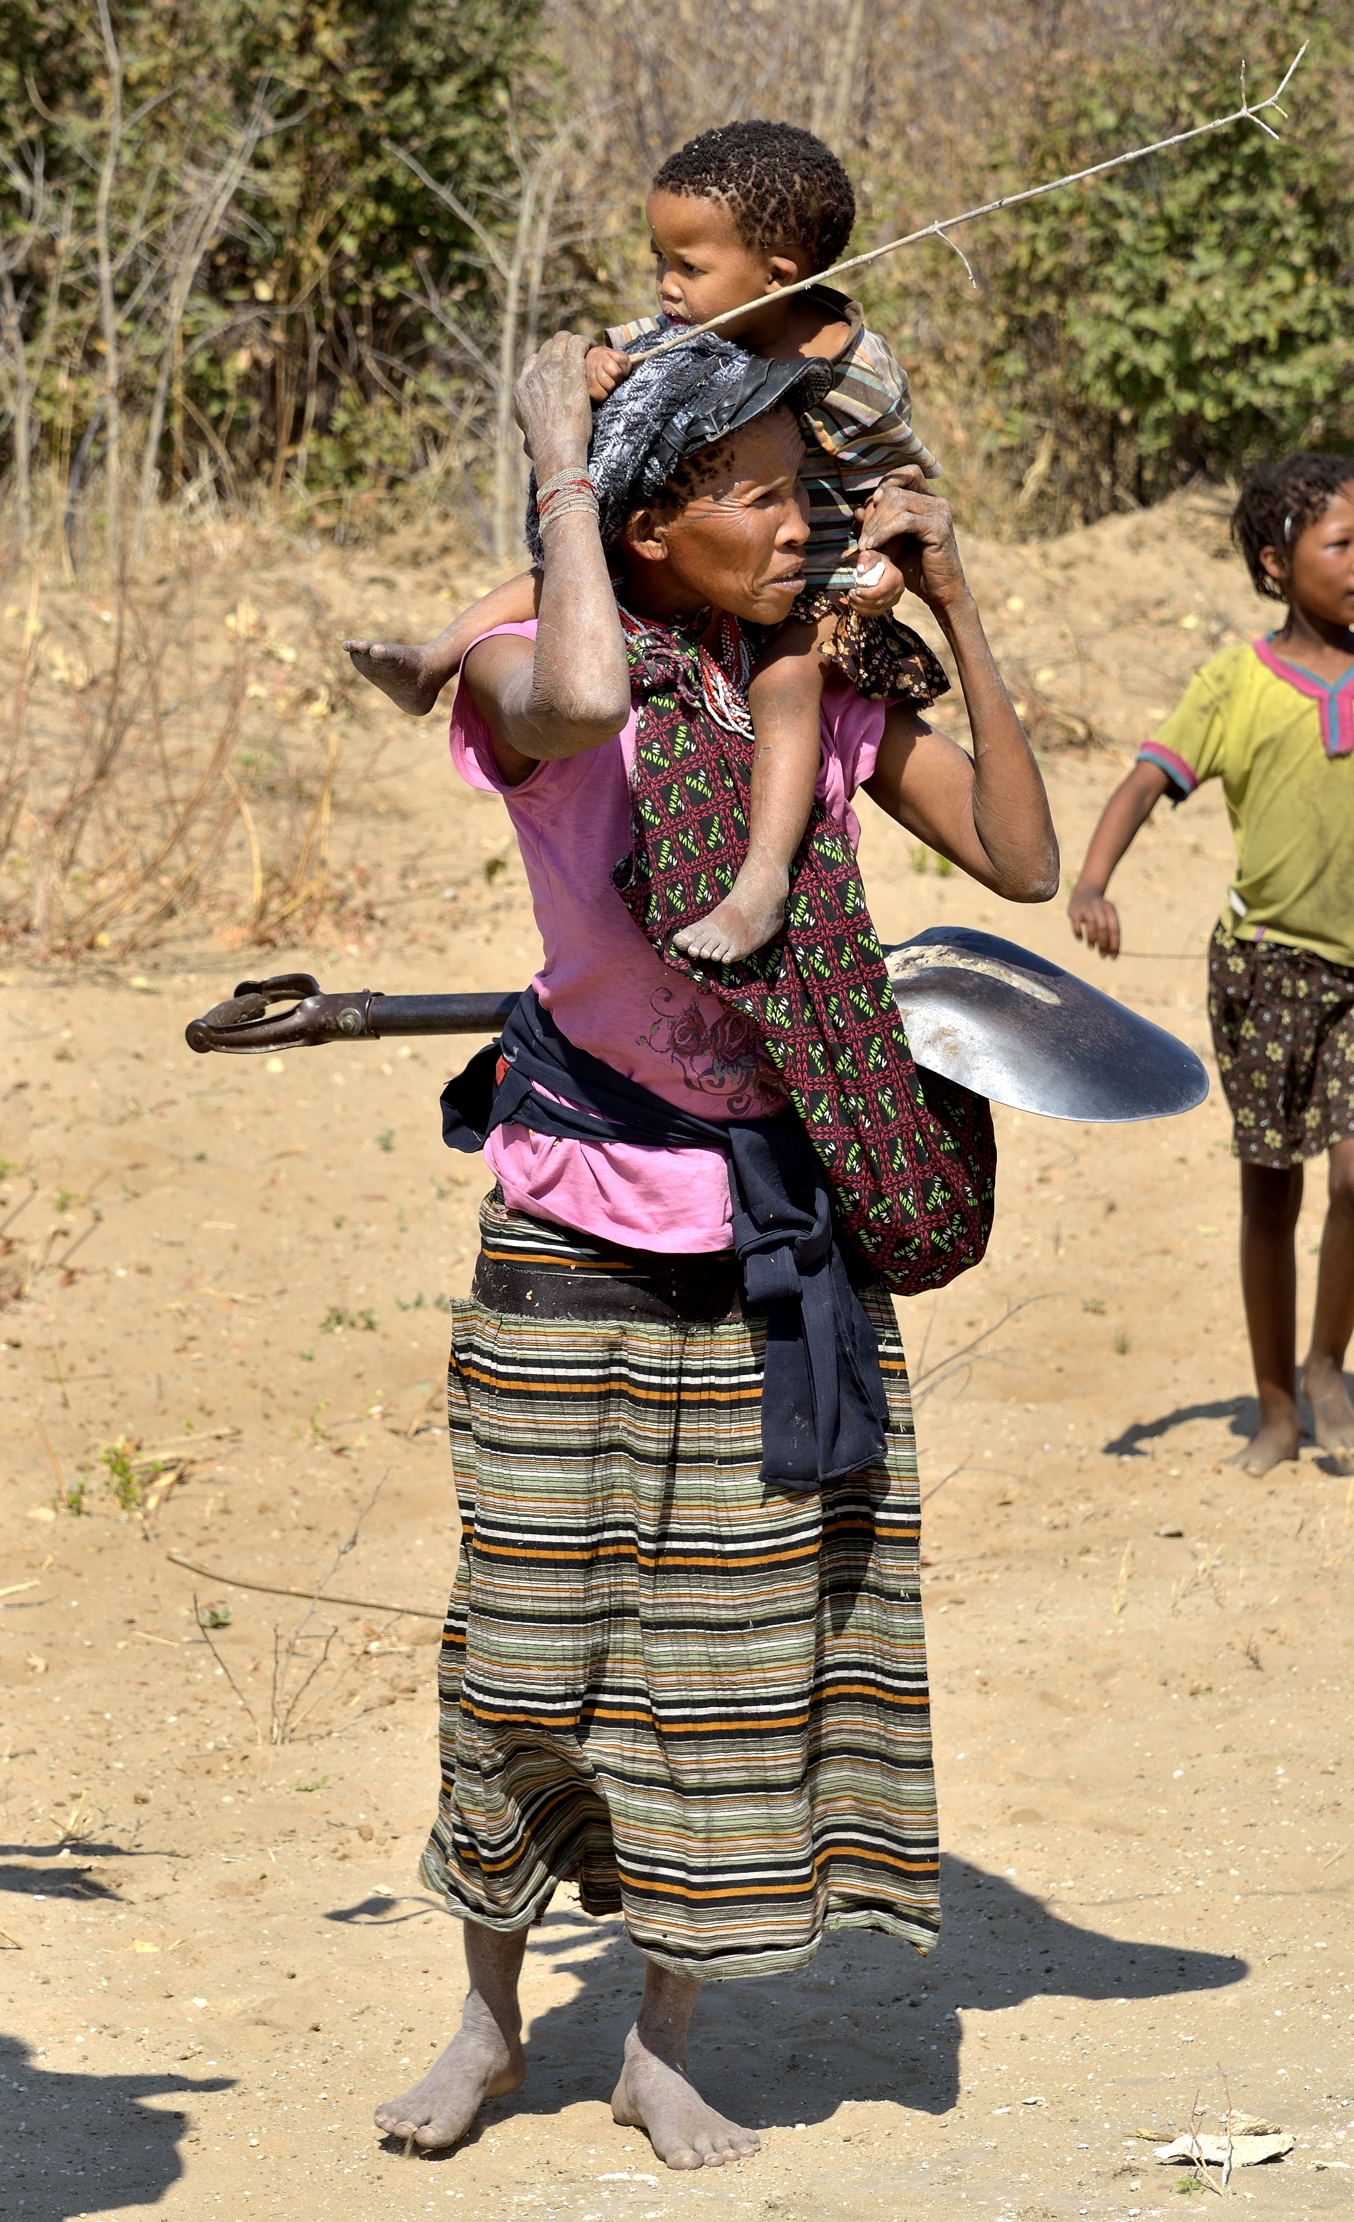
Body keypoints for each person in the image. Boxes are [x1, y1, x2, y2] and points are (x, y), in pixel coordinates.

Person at [371, 328, 1056, 2169]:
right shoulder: (540, 676)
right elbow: (587, 693)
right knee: (520, 1660)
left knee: (732, 1668)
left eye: (799, 486)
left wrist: (957, 601)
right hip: (569, 1239)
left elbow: (1014, 856)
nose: (793, 520)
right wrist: (549, 445)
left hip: (767, 1243)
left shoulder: (812, 700)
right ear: (646, 522)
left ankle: (660, 2039)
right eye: (751, 491)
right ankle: (487, 2019)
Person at [345, 121, 944, 963]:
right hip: (710, 557)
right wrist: (590, 361)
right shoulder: (690, 326)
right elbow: (609, 355)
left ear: (777, 276)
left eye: (687, 266)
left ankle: (764, 879)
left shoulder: (858, 372)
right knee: (551, 575)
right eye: (659, 258)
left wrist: (883, 566)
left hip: (817, 574)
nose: (665, 285)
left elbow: (902, 484)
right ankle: (434, 659)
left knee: (786, 682)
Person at [1067, 452, 1354, 1478]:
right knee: (1269, 1188)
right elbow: (1145, 782)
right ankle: (1275, 1401)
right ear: (1277, 566)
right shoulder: (1233, 682)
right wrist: (1093, 879)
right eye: (1342, 544)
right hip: (1270, 971)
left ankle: (1328, 1361)